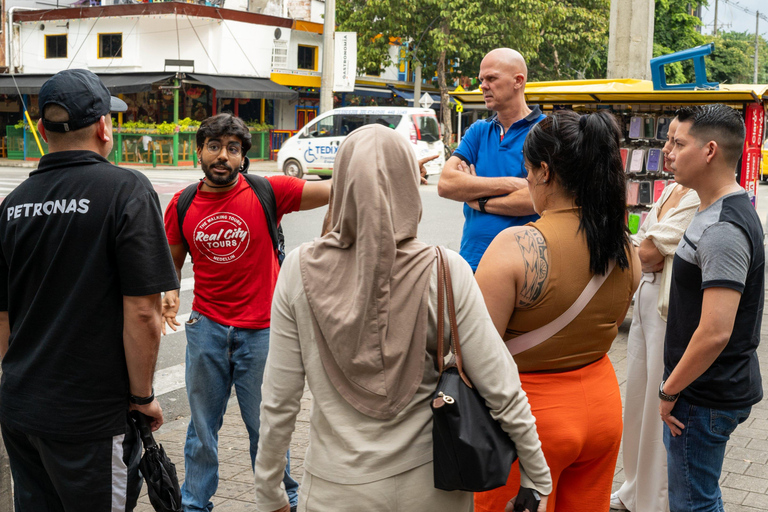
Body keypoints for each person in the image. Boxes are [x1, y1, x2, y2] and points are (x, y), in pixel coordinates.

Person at [252, 125, 552, 512]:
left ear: (341, 183)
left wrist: (269, 490)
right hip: (433, 487)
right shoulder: (446, 270)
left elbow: (279, 398)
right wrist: (536, 478)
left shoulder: (298, 270)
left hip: (335, 488)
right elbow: (500, 384)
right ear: (408, 184)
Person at [0, 69, 178, 511]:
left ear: (42, 131)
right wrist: (143, 397)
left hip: (21, 411)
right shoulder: (126, 190)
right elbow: (142, 312)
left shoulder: (12, 205)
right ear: (104, 126)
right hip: (92, 420)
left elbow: (2, 318)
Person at [162, 113, 331, 512]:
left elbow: (335, 188)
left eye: (232, 149)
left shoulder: (268, 191)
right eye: (214, 147)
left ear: (243, 158)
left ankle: (282, 498)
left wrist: (380, 161)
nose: (222, 156)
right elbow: (171, 263)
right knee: (202, 430)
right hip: (206, 329)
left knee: (267, 429)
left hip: (264, 331)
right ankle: (194, 504)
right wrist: (168, 293)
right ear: (199, 152)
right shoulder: (182, 203)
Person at [473, 110, 641, 512]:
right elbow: (613, 323)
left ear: (544, 172)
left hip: (527, 420)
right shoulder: (623, 246)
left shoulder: (515, 245)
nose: (527, 179)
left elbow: (477, 354)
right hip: (601, 409)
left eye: (527, 170)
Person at [660, 104, 763, 512]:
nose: (667, 151)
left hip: (702, 397)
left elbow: (716, 330)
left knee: (693, 503)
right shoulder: (714, 207)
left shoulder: (723, 228)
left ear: (710, 151)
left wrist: (670, 390)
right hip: (705, 389)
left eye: (678, 142)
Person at [610, 118, 699, 512]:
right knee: (639, 396)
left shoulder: (698, 198)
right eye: (666, 140)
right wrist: (645, 250)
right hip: (646, 302)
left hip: (668, 310)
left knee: (657, 401)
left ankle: (655, 498)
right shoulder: (672, 189)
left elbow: (645, 252)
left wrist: (644, 249)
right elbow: (645, 249)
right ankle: (635, 487)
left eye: (677, 142)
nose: (666, 149)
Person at [437, 47, 544, 271]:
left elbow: (537, 198)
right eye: (481, 79)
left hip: (522, 268)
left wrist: (479, 200)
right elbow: (446, 184)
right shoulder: (478, 131)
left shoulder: (545, 131)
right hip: (471, 263)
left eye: (491, 78)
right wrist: (511, 184)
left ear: (518, 81)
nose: (483, 85)